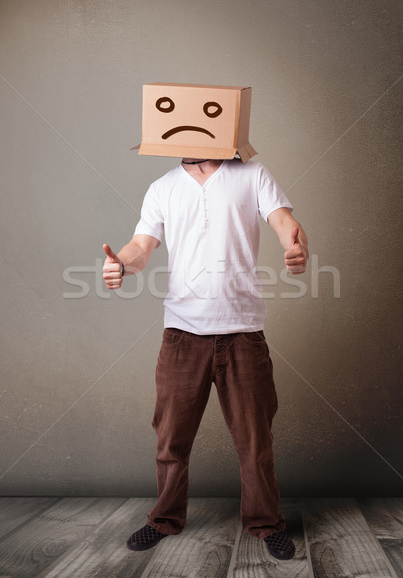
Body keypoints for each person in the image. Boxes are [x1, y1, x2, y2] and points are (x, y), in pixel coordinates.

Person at [102, 157, 309, 561]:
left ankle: (266, 523)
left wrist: (296, 247)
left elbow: (284, 221)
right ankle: (163, 519)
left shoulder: (252, 174)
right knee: (170, 438)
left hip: (243, 334)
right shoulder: (163, 186)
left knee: (256, 441)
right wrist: (121, 264)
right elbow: (142, 245)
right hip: (182, 334)